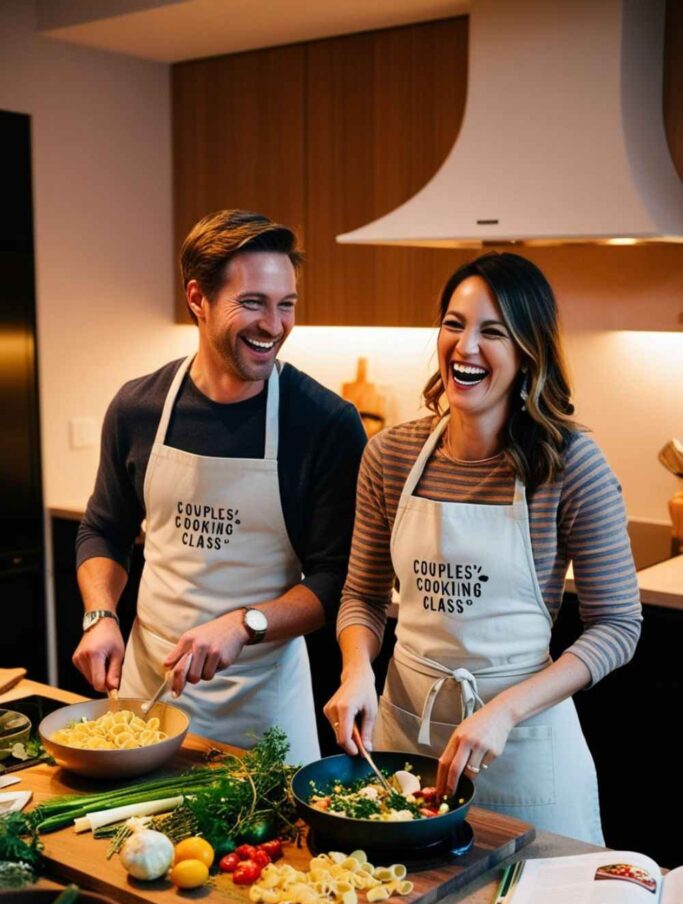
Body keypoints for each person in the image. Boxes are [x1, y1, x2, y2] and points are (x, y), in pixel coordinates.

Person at [324, 252, 642, 843]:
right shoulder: (389, 456)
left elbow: (618, 625)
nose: (465, 346)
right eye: (454, 323)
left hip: (522, 744)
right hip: (403, 743)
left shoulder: (570, 465)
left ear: (528, 353)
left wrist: (505, 710)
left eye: (492, 332)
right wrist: (356, 670)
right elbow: (361, 596)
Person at [73, 210, 366, 763]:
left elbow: (336, 580)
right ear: (197, 298)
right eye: (252, 302)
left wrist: (244, 623)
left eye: (287, 305)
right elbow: (103, 530)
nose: (274, 325)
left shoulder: (324, 423)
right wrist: (101, 615)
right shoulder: (139, 408)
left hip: (263, 707)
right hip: (146, 697)